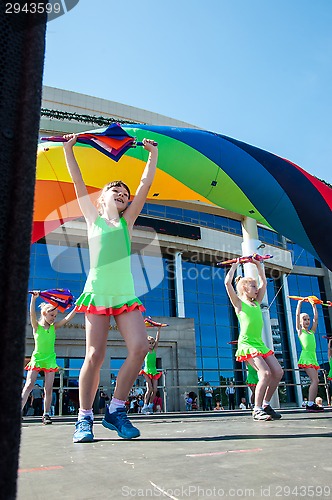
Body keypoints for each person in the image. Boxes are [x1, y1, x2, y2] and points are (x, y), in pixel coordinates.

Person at [63, 134, 158, 442]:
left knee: (141, 348)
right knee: (95, 354)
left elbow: (144, 186)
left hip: (125, 295)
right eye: (115, 190)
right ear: (101, 199)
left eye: (124, 193)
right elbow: (77, 182)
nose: (122, 193)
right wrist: (68, 149)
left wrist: (151, 155)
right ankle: (84, 418)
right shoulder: (94, 221)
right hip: (98, 292)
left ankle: (116, 410)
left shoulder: (127, 222)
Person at [224, 258, 284, 421]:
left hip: (259, 344)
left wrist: (258, 265)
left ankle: (265, 404)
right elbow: (227, 283)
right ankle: (256, 409)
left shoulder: (257, 303)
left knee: (278, 372)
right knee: (264, 373)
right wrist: (235, 266)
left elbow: (264, 282)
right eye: (253, 286)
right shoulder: (239, 304)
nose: (257, 289)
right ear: (244, 288)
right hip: (247, 344)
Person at [21, 292, 76, 424]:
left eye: (55, 316)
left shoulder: (53, 328)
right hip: (38, 358)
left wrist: (77, 307)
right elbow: (32, 314)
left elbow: (67, 319)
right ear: (44, 314)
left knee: (48, 388)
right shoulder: (37, 327)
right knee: (28, 385)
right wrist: (33, 299)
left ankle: (46, 414)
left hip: (50, 360)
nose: (54, 318)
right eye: (52, 315)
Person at [296, 299, 324, 412]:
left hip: (313, 357)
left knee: (316, 380)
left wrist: (314, 306)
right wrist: (299, 304)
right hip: (306, 357)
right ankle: (310, 403)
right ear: (300, 322)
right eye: (304, 319)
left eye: (308, 319)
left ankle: (311, 403)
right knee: (315, 380)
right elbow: (297, 315)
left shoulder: (311, 332)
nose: (307, 321)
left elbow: (316, 319)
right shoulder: (300, 331)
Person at [139, 328, 162, 414]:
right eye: (150, 343)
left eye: (152, 343)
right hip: (146, 371)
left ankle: (150, 405)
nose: (151, 344)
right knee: (149, 389)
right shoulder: (145, 351)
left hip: (154, 371)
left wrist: (158, 330)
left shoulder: (154, 350)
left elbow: (157, 340)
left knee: (155, 390)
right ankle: (144, 406)